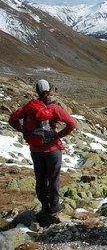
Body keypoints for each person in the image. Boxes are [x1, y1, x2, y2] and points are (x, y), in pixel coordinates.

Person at [9, 79, 77, 215]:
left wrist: (23, 130)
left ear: (37, 91)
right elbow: (72, 124)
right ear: (49, 91)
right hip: (52, 149)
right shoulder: (53, 108)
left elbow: (12, 120)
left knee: (40, 179)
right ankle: (55, 207)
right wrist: (58, 136)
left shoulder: (29, 108)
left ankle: (45, 206)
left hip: (35, 150)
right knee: (53, 178)